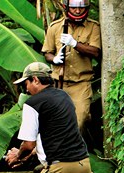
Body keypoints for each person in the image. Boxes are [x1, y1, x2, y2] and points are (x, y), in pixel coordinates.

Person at [5, 62, 94, 173]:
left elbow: (28, 145)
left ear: (35, 79)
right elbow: (56, 136)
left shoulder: (33, 104)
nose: (27, 90)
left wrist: (17, 157)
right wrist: (26, 154)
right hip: (84, 168)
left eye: (26, 84)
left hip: (61, 170)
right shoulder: (64, 96)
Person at [41, 0, 101, 134]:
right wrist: (55, 59)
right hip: (59, 83)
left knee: (81, 119)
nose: (78, 11)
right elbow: (47, 53)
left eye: (81, 8)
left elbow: (95, 51)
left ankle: (75, 152)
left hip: (81, 83)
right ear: (67, 7)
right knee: (55, 122)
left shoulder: (93, 27)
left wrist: (75, 44)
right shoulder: (55, 27)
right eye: (74, 8)